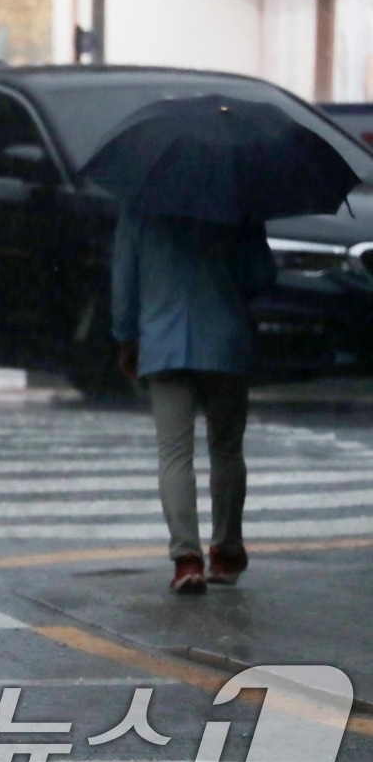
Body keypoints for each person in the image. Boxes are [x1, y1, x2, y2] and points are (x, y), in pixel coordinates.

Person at [112, 208, 275, 595]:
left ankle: (187, 561)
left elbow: (124, 282)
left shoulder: (139, 206)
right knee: (226, 449)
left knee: (173, 453)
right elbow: (262, 275)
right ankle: (226, 552)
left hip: (162, 340)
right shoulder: (239, 205)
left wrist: (126, 335)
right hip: (224, 340)